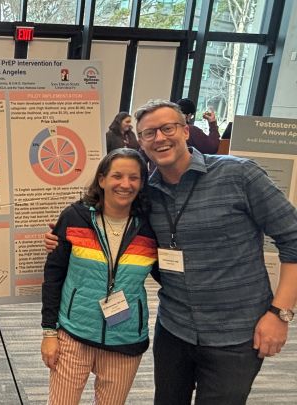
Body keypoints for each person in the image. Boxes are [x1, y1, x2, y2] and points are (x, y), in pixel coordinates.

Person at [45, 100, 297, 404]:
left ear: (186, 130)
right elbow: (114, 228)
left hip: (235, 333)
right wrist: (60, 237)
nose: (160, 138)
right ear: (140, 141)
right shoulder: (146, 194)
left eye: (168, 128)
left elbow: (292, 239)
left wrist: (279, 314)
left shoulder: (238, 175)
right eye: (149, 133)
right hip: (174, 330)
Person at [41, 148, 159, 405]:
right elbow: (53, 276)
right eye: (117, 176)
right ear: (102, 179)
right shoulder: (75, 217)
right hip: (74, 333)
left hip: (125, 337)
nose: (125, 184)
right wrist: (49, 332)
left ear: (142, 183)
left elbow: (168, 277)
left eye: (134, 178)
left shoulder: (151, 226)